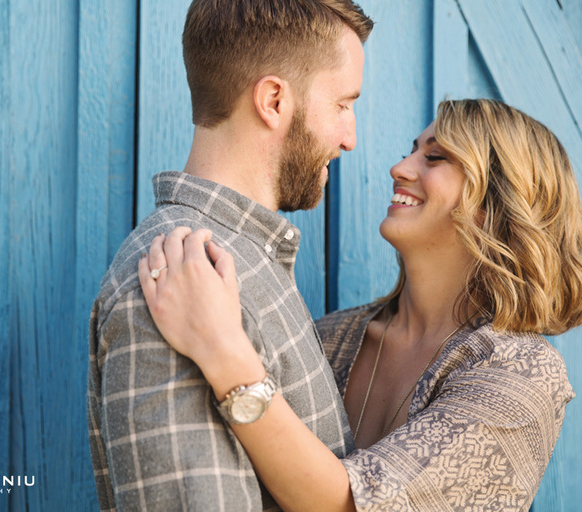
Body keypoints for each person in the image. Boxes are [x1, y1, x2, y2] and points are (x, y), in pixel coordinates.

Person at [138, 99, 582, 511]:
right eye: (412, 150)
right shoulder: (329, 336)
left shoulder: (521, 373)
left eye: (435, 157)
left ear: (497, 204)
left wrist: (222, 349)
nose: (400, 168)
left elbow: (347, 505)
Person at [87, 1, 374, 510]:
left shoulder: (245, 261)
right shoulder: (171, 281)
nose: (349, 138)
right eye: (343, 105)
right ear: (274, 101)